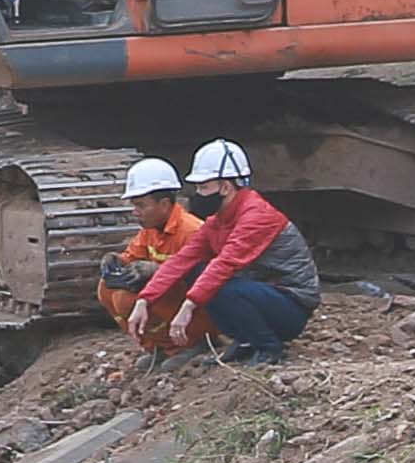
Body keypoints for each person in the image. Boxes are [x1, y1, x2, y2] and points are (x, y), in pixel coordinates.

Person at [127, 136, 319, 362]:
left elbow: (225, 264)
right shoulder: (218, 221)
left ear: (225, 187)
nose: (198, 194)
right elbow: (182, 260)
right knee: (196, 271)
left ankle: (269, 348)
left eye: (203, 187)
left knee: (220, 286)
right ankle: (246, 341)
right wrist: (145, 300)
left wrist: (188, 305)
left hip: (291, 305)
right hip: (262, 295)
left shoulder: (257, 216)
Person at [97, 155, 198, 331]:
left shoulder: (191, 231)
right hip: (167, 294)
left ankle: (188, 344)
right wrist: (117, 260)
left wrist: (158, 271)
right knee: (105, 288)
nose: (135, 212)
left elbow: (203, 279)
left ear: (165, 204)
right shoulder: (151, 228)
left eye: (141, 206)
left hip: (192, 305)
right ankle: (157, 348)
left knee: (126, 300)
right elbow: (133, 255)